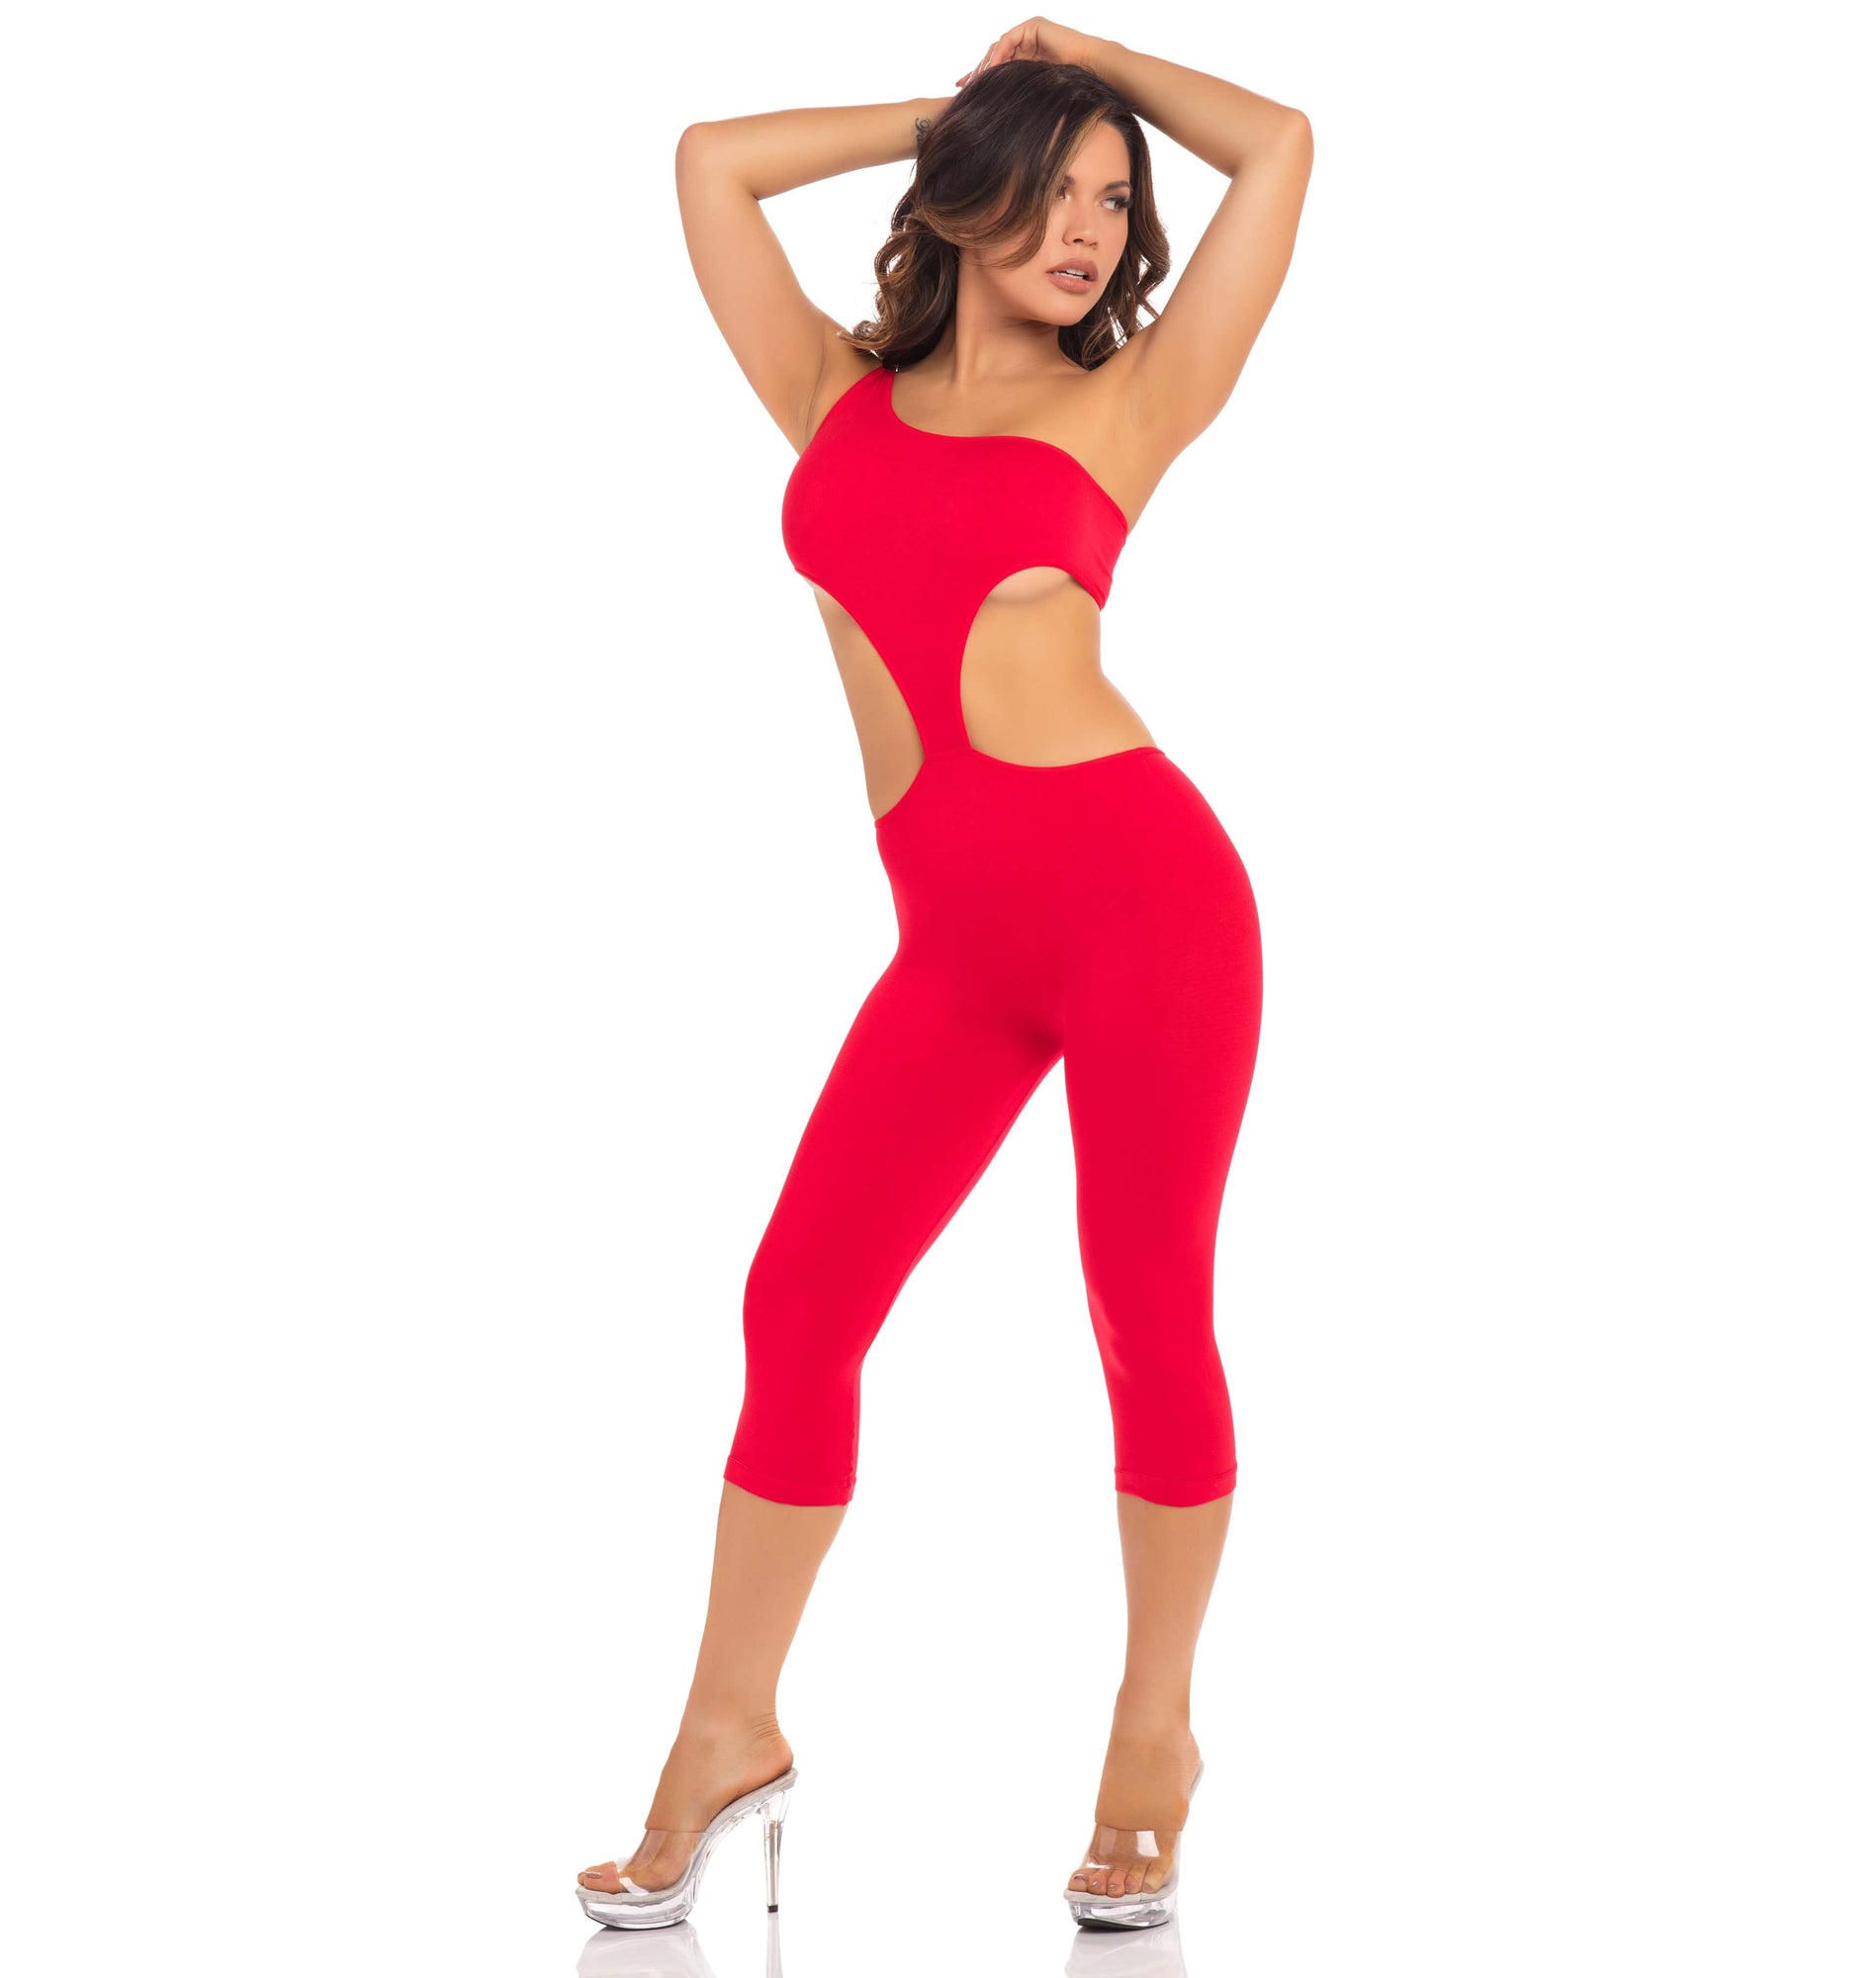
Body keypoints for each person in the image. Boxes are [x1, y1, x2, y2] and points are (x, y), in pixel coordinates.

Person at [577, 19, 1311, 1933]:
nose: (1089, 231)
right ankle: (726, 1729)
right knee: (797, 1300)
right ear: (970, 194)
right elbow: (709, 162)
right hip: (957, 956)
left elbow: (1283, 145)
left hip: (1152, 918)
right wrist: (962, 114)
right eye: (1052, 192)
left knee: (1144, 1315)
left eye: (1112, 204)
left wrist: (1078, 55)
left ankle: (1153, 1733)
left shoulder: (1123, 407)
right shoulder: (829, 395)